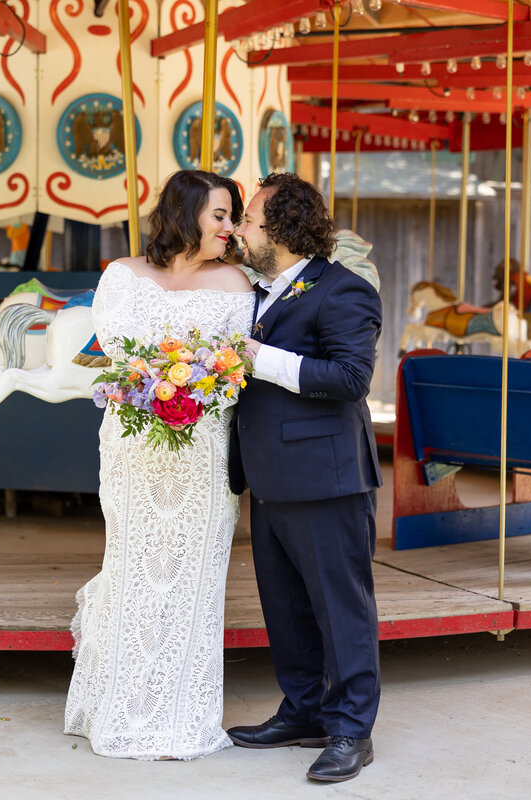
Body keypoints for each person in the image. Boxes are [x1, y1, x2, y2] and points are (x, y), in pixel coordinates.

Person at [65, 170, 254, 760]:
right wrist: (156, 384)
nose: (229, 228)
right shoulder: (121, 276)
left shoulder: (237, 282)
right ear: (186, 211)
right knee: (133, 569)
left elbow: (234, 365)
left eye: (233, 217)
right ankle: (115, 708)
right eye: (219, 215)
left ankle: (181, 716)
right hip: (133, 448)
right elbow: (118, 358)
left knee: (193, 580)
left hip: (202, 451)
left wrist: (197, 389)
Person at [227, 173, 383, 783]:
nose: (241, 230)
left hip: (328, 478)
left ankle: (350, 729)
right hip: (269, 475)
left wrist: (259, 359)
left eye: (249, 220)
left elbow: (350, 378)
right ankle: (302, 711)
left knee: (341, 608)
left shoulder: (342, 290)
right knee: (285, 606)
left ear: (282, 228)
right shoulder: (260, 289)